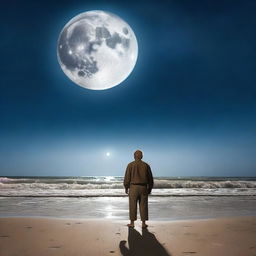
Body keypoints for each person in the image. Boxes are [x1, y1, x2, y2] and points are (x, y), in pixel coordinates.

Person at [123, 150, 154, 228]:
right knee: (143, 205)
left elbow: (127, 178)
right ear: (142, 156)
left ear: (134, 156)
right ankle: (143, 223)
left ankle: (132, 223)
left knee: (132, 205)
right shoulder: (146, 165)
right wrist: (150, 188)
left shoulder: (130, 165)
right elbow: (150, 179)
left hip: (133, 187)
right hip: (143, 187)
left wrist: (126, 187)